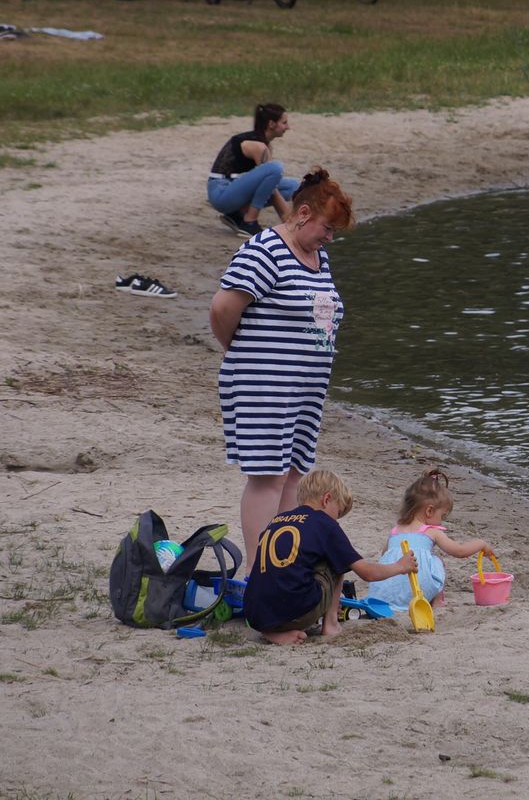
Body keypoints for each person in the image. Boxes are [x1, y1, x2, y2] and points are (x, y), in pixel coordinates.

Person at [209, 167, 353, 576]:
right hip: (264, 383)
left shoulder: (318, 256)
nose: (330, 238)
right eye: (327, 228)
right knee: (268, 477)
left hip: (304, 388)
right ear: (303, 214)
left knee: (293, 476)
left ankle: (282, 563)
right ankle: (259, 573)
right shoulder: (264, 250)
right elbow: (221, 308)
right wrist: (241, 352)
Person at [243, 469, 419, 645]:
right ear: (326, 499)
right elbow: (367, 573)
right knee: (337, 559)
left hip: (255, 614)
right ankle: (331, 624)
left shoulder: (278, 519)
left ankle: (271, 632)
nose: (336, 520)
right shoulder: (324, 523)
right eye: (338, 512)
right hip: (294, 612)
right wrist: (400, 566)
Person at [365, 468, 497, 615]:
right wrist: (481, 544)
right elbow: (460, 551)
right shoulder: (431, 531)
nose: (441, 520)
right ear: (429, 511)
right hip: (417, 591)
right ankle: (437, 601)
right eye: (442, 516)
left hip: (383, 593)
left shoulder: (395, 531)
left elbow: (385, 555)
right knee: (437, 561)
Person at [207, 103, 299, 237]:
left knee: (293, 187)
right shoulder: (259, 147)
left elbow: (269, 185)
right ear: (271, 124)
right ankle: (249, 222)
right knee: (275, 169)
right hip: (220, 193)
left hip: (231, 187)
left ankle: (236, 215)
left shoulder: (264, 144)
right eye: (284, 123)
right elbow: (272, 186)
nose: (288, 127)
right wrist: (287, 218)